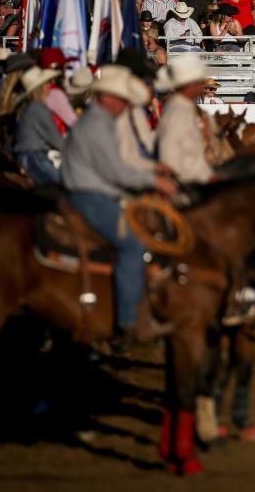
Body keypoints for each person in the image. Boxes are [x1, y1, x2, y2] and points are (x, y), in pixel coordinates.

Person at [62, 66, 176, 341]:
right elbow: (118, 172)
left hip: (92, 190)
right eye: (122, 98)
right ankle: (128, 320)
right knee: (133, 245)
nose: (125, 104)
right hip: (89, 195)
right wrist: (154, 180)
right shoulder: (99, 124)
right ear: (108, 97)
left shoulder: (97, 120)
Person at [156, 54, 217, 183]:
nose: (202, 86)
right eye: (199, 82)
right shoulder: (178, 111)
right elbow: (169, 156)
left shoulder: (185, 108)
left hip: (197, 181)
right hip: (188, 185)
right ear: (191, 84)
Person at [13, 67, 67, 185]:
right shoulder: (39, 109)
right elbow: (58, 141)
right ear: (40, 88)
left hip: (27, 155)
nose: (49, 86)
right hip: (34, 158)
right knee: (61, 186)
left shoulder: (28, 106)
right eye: (46, 83)